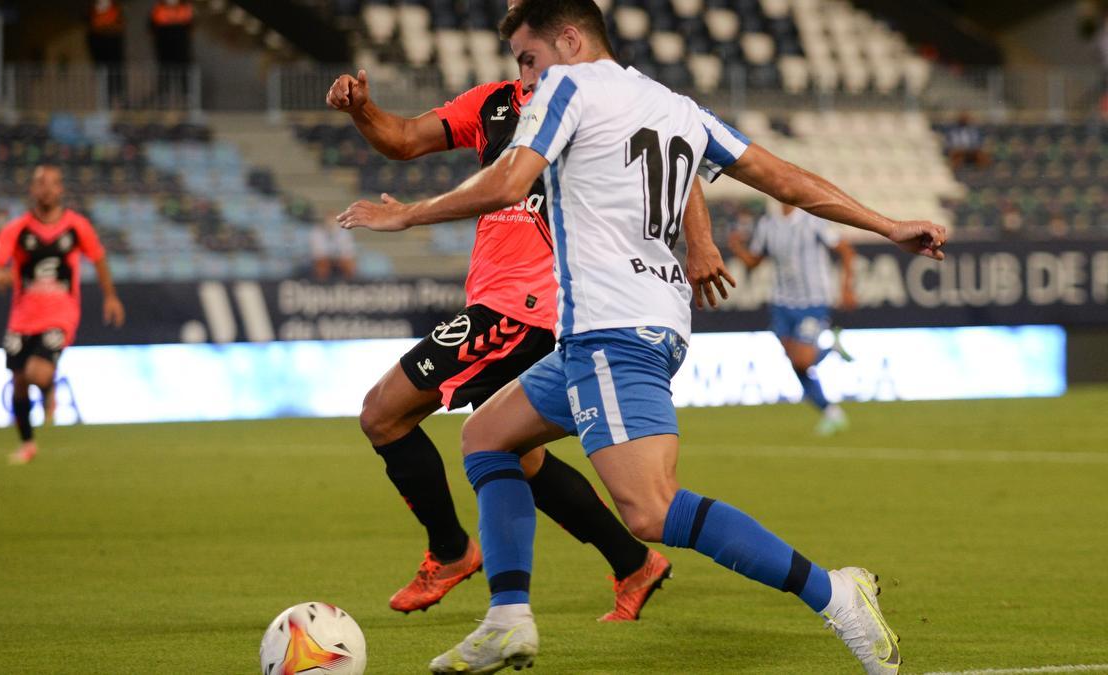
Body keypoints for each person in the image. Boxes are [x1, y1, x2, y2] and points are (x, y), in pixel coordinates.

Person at [338, 0, 947, 672]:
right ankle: (507, 617)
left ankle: (836, 592)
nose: (525, 77)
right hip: (640, 321)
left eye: (528, 58)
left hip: (611, 326)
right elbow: (782, 176)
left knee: (652, 510)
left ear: (569, 41)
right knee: (485, 436)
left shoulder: (566, 87)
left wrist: (407, 216)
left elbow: (511, 182)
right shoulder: (674, 105)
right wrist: (885, 223)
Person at [325, 52, 734, 620]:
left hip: (530, 306)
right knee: (513, 449)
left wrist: (701, 241)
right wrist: (364, 108)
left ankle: (451, 551)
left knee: (382, 413)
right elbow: (403, 139)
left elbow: (675, 156)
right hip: (506, 300)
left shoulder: (599, 98)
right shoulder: (492, 103)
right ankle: (631, 561)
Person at [0, 166, 126, 464]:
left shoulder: (76, 226)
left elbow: (98, 258)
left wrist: (110, 296)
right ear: (32, 190)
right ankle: (27, 445)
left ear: (61, 189)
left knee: (38, 373)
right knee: (19, 380)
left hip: (60, 313)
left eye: (52, 184)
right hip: (22, 316)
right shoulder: (17, 228)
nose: (47, 189)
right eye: (40, 183)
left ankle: (49, 390)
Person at [728, 200, 857, 435]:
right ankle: (830, 411)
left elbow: (846, 250)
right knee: (795, 362)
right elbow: (754, 262)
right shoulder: (767, 225)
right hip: (781, 302)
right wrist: (737, 248)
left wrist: (847, 286)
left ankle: (831, 349)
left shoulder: (813, 220)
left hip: (812, 302)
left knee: (803, 361)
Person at [88, 0, 126, 107]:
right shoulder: (93, 12)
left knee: (116, 74)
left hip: (114, 54)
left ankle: (119, 96)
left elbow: (120, 26)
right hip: (101, 55)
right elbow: (92, 30)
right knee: (104, 77)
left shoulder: (115, 11)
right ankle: (107, 99)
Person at [309, 218, 357, 282]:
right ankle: (322, 285)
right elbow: (318, 250)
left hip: (340, 258)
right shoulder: (317, 231)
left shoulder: (344, 232)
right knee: (322, 264)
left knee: (349, 264)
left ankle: (350, 284)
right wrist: (329, 256)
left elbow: (348, 249)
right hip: (324, 257)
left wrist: (339, 257)